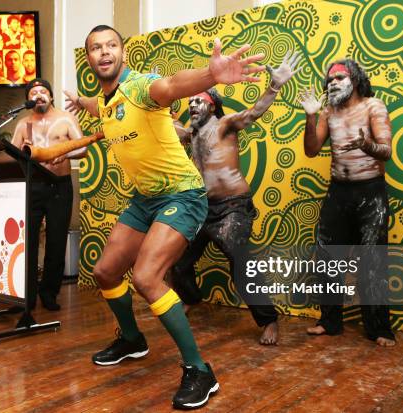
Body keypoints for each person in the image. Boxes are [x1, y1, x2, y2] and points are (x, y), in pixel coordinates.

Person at [64, 25, 265, 409]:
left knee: (146, 277)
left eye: (111, 45)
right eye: (95, 48)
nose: (104, 52)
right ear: (89, 58)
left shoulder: (142, 86)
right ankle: (132, 339)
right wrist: (82, 103)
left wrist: (211, 76)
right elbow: (101, 106)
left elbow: (171, 85)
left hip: (182, 194)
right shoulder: (107, 101)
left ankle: (200, 370)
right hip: (146, 199)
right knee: (105, 272)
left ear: (122, 53)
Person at [169, 51, 301, 346]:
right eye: (190, 101)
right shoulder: (191, 133)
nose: (192, 104)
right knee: (178, 260)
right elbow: (169, 127)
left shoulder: (225, 125)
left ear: (212, 104)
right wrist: (158, 103)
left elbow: (253, 112)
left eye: (198, 100)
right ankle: (191, 297)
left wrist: (275, 86)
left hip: (233, 207)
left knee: (239, 263)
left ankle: (268, 321)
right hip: (203, 207)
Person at [298, 59, 396, 347]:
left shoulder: (373, 106)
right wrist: (311, 116)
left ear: (355, 79)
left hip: (370, 193)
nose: (333, 83)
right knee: (328, 259)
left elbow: (386, 151)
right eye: (330, 80)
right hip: (338, 192)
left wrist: (365, 146)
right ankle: (330, 322)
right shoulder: (329, 112)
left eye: (340, 77)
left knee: (372, 261)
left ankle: (379, 329)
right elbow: (312, 150)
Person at [11, 79, 88, 311]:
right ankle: (28, 293)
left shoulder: (65, 118)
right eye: (34, 92)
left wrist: (65, 154)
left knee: (56, 240)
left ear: (51, 97)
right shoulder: (23, 123)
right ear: (28, 99)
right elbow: (12, 155)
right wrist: (22, 153)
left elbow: (82, 147)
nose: (39, 95)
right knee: (28, 242)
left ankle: (49, 293)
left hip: (59, 185)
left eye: (43, 91)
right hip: (32, 186)